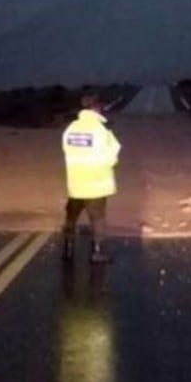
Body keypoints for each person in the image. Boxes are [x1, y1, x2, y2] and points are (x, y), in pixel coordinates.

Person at [61, 94, 121, 264]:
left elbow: (67, 150)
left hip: (76, 183)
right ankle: (97, 253)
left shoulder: (71, 128)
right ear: (96, 108)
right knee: (98, 218)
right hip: (96, 184)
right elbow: (112, 156)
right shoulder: (102, 129)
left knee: (71, 217)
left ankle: (68, 249)